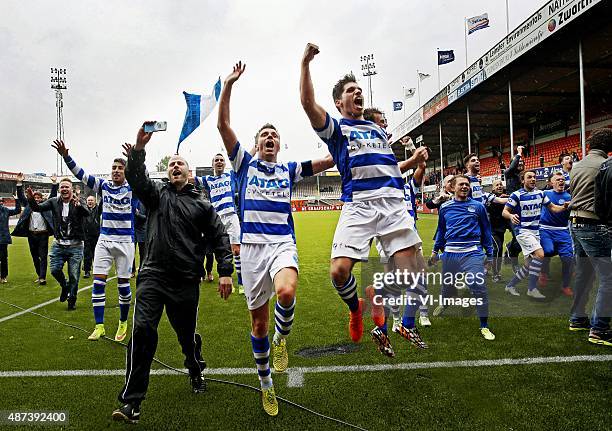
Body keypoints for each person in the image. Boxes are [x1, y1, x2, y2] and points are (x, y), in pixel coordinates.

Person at [218, 61, 334, 416]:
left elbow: (328, 161)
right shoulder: (244, 165)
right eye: (264, 136)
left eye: (274, 135)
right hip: (252, 250)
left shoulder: (288, 169)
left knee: (286, 291)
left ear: (280, 144)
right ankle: (266, 384)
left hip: (282, 244)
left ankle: (283, 340)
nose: (270, 139)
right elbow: (223, 125)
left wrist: (355, 147)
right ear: (255, 145)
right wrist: (229, 85)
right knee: (258, 324)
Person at [300, 43, 426, 350]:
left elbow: (388, 165)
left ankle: (380, 298)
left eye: (360, 89)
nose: (358, 93)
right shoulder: (336, 129)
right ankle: (356, 310)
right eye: (351, 90)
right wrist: (305, 63)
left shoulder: (378, 129)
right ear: (339, 102)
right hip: (359, 204)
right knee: (338, 271)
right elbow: (307, 103)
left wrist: (414, 160)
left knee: (417, 276)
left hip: (394, 204)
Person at [112, 127, 234, 424]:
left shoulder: (202, 205)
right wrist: (139, 150)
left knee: (186, 337)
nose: (175, 166)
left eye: (180, 163)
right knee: (142, 331)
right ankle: (132, 402)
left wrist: (225, 271)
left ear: (190, 173)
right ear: (167, 173)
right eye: (171, 164)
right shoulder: (157, 196)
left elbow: (220, 237)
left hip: (184, 280)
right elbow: (137, 179)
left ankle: (195, 368)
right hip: (152, 276)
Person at [54, 140, 137, 342]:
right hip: (105, 240)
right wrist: (66, 156)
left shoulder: (134, 186)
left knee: (123, 286)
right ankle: (99, 326)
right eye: (114, 168)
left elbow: (140, 175)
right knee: (98, 283)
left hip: (125, 241)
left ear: (126, 171)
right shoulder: (104, 186)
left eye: (120, 168)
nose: (116, 171)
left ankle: (123, 321)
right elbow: (81, 174)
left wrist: (134, 158)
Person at [434, 175, 495, 340]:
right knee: (447, 287)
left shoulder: (478, 207)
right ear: (452, 187)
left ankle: (484, 326)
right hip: (450, 252)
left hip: (472, 251)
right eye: (461, 184)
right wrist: (435, 251)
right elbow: (441, 231)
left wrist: (489, 255)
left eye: (467, 184)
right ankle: (445, 303)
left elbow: (486, 231)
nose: (465, 186)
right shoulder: (445, 208)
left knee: (478, 285)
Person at [568, 128, 612, 346]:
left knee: (583, 274)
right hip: (593, 224)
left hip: (574, 223)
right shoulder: (604, 165)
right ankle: (600, 329)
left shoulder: (578, 165)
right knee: (608, 278)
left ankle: (577, 319)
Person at [502, 170, 569, 299]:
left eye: (534, 177)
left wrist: (565, 207)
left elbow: (554, 208)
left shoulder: (541, 194)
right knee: (540, 254)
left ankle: (510, 285)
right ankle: (532, 289)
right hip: (523, 232)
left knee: (528, 265)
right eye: (529, 177)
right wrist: (511, 216)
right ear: (523, 180)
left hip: (536, 232)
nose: (533, 179)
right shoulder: (517, 195)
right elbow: (505, 211)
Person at [26, 178, 89, 309]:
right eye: (62, 187)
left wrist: (79, 205)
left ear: (71, 189)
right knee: (54, 270)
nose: (64, 189)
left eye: (67, 187)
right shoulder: (54, 201)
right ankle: (64, 286)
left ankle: (72, 299)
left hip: (75, 245)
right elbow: (38, 208)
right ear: (59, 190)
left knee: (74, 275)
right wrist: (31, 199)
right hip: (58, 244)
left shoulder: (78, 200)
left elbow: (87, 213)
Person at [194, 154, 243, 292]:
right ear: (213, 165)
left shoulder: (231, 175)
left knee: (236, 251)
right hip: (216, 219)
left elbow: (243, 161)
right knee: (214, 250)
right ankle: (208, 274)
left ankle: (241, 283)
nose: (219, 162)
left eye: (222, 160)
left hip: (231, 216)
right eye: (216, 160)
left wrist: (255, 147)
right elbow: (190, 179)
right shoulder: (207, 180)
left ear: (225, 164)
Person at [13, 174, 58, 285]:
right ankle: (39, 275)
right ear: (33, 199)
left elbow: (53, 195)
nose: (37, 200)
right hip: (31, 235)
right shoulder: (28, 206)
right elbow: (21, 197)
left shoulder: (46, 206)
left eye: (39, 198)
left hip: (43, 235)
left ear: (42, 199)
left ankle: (42, 278)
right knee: (34, 256)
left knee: (43, 256)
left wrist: (54, 183)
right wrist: (19, 184)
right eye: (35, 198)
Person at [539, 171, 573, 297]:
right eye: (557, 179)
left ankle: (565, 286)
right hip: (545, 229)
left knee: (568, 259)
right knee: (547, 250)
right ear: (550, 183)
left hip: (562, 230)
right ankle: (543, 272)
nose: (560, 181)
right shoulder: (544, 194)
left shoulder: (570, 197)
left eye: (562, 179)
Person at [486, 179, 510, 283]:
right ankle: (496, 274)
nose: (499, 186)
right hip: (490, 229)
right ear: (493, 188)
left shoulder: (506, 197)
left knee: (494, 251)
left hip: (501, 229)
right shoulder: (490, 199)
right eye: (497, 185)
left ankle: (485, 267)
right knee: (498, 249)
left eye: (501, 184)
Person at [0, 181, 22, 283]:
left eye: (1, 201)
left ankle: (3, 276)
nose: (1, 202)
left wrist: (16, 199)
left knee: (3, 258)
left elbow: (17, 210)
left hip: (3, 238)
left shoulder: (5, 210)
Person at [82, 195, 101, 279]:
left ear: (95, 202)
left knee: (96, 254)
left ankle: (97, 270)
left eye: (91, 200)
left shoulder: (98, 209)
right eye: (88, 200)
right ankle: (87, 271)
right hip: (86, 235)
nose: (90, 202)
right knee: (87, 254)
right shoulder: (84, 210)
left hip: (96, 235)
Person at [131, 199, 146, 278]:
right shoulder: (131, 201)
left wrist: (138, 214)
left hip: (142, 231)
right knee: (131, 252)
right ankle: (132, 270)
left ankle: (141, 270)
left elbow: (146, 217)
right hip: (132, 230)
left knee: (142, 253)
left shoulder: (144, 203)